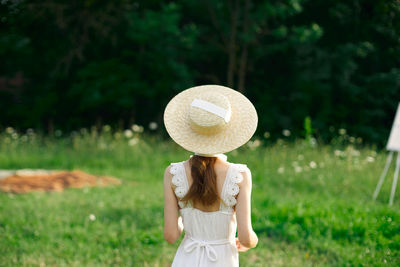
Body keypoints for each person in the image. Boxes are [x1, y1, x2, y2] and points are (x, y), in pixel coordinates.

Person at [163, 85, 258, 267]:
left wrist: (186, 220)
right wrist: (251, 242)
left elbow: (170, 236)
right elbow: (246, 238)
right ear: (228, 131)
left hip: (186, 258)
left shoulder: (173, 173)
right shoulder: (240, 175)